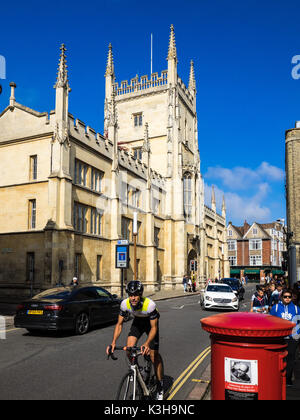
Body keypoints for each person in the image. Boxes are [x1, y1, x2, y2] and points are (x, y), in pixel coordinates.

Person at [106, 280, 164, 400]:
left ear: (140, 294)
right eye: (131, 295)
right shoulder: (124, 304)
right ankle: (138, 370)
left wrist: (147, 343)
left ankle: (160, 386)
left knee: (154, 356)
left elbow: (154, 328)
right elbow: (119, 324)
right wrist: (113, 343)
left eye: (136, 295)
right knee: (129, 349)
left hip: (150, 324)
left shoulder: (150, 305)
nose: (133, 298)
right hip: (137, 322)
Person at [270, 289, 300, 386]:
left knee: (290, 359)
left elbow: (298, 324)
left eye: (289, 297)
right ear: (281, 297)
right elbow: (271, 322)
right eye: (285, 296)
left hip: (292, 338)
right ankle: (277, 377)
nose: (287, 298)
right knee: (278, 358)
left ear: (292, 298)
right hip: (279, 338)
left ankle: (288, 379)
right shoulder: (276, 307)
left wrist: (297, 336)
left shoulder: (296, 309)